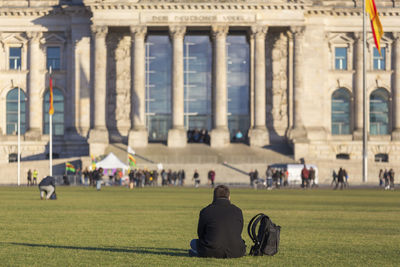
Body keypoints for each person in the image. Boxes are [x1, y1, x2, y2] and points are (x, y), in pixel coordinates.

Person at [189, 185, 246, 258]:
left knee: (193, 242)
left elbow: (201, 234)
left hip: (211, 250)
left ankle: (200, 252)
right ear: (229, 197)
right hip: (236, 251)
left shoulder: (206, 211)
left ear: (214, 197)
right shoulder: (238, 211)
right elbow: (239, 231)